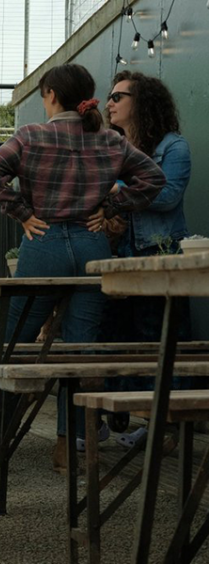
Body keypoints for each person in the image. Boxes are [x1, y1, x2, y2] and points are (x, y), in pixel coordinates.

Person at [0, 63, 166, 471]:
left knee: (12, 345)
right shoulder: (110, 140)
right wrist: (110, 206)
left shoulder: (30, 136)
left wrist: (23, 213)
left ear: (49, 95)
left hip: (42, 242)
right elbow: (153, 178)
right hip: (91, 247)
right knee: (81, 351)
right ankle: (67, 448)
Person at [94, 71, 193, 448]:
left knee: (162, 341)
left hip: (160, 256)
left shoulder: (174, 147)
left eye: (119, 96)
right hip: (121, 254)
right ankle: (115, 418)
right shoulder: (114, 146)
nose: (110, 103)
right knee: (117, 337)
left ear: (144, 103)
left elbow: (165, 196)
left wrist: (115, 189)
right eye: (110, 96)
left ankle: (166, 431)